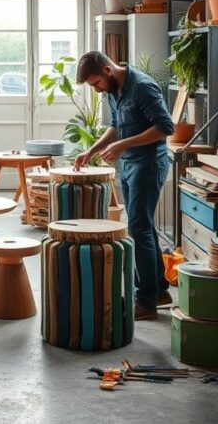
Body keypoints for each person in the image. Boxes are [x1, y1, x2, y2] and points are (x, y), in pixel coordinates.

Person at [73, 51, 174, 320]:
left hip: (149, 163)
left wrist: (123, 144)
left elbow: (165, 127)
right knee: (144, 226)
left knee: (139, 228)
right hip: (129, 163)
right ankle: (160, 290)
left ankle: (146, 301)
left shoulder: (142, 87)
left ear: (107, 70)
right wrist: (92, 150)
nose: (96, 91)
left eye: (96, 84)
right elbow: (117, 126)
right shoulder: (113, 90)